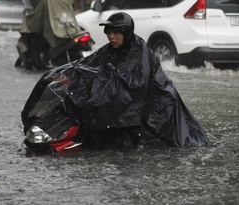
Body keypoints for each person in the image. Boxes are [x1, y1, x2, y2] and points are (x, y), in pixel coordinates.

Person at [21, 12, 209, 151]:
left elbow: (133, 84)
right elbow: (86, 64)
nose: (111, 36)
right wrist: (62, 74)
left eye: (116, 32)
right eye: (108, 32)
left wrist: (99, 86)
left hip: (157, 106)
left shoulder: (139, 51)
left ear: (126, 33)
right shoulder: (109, 49)